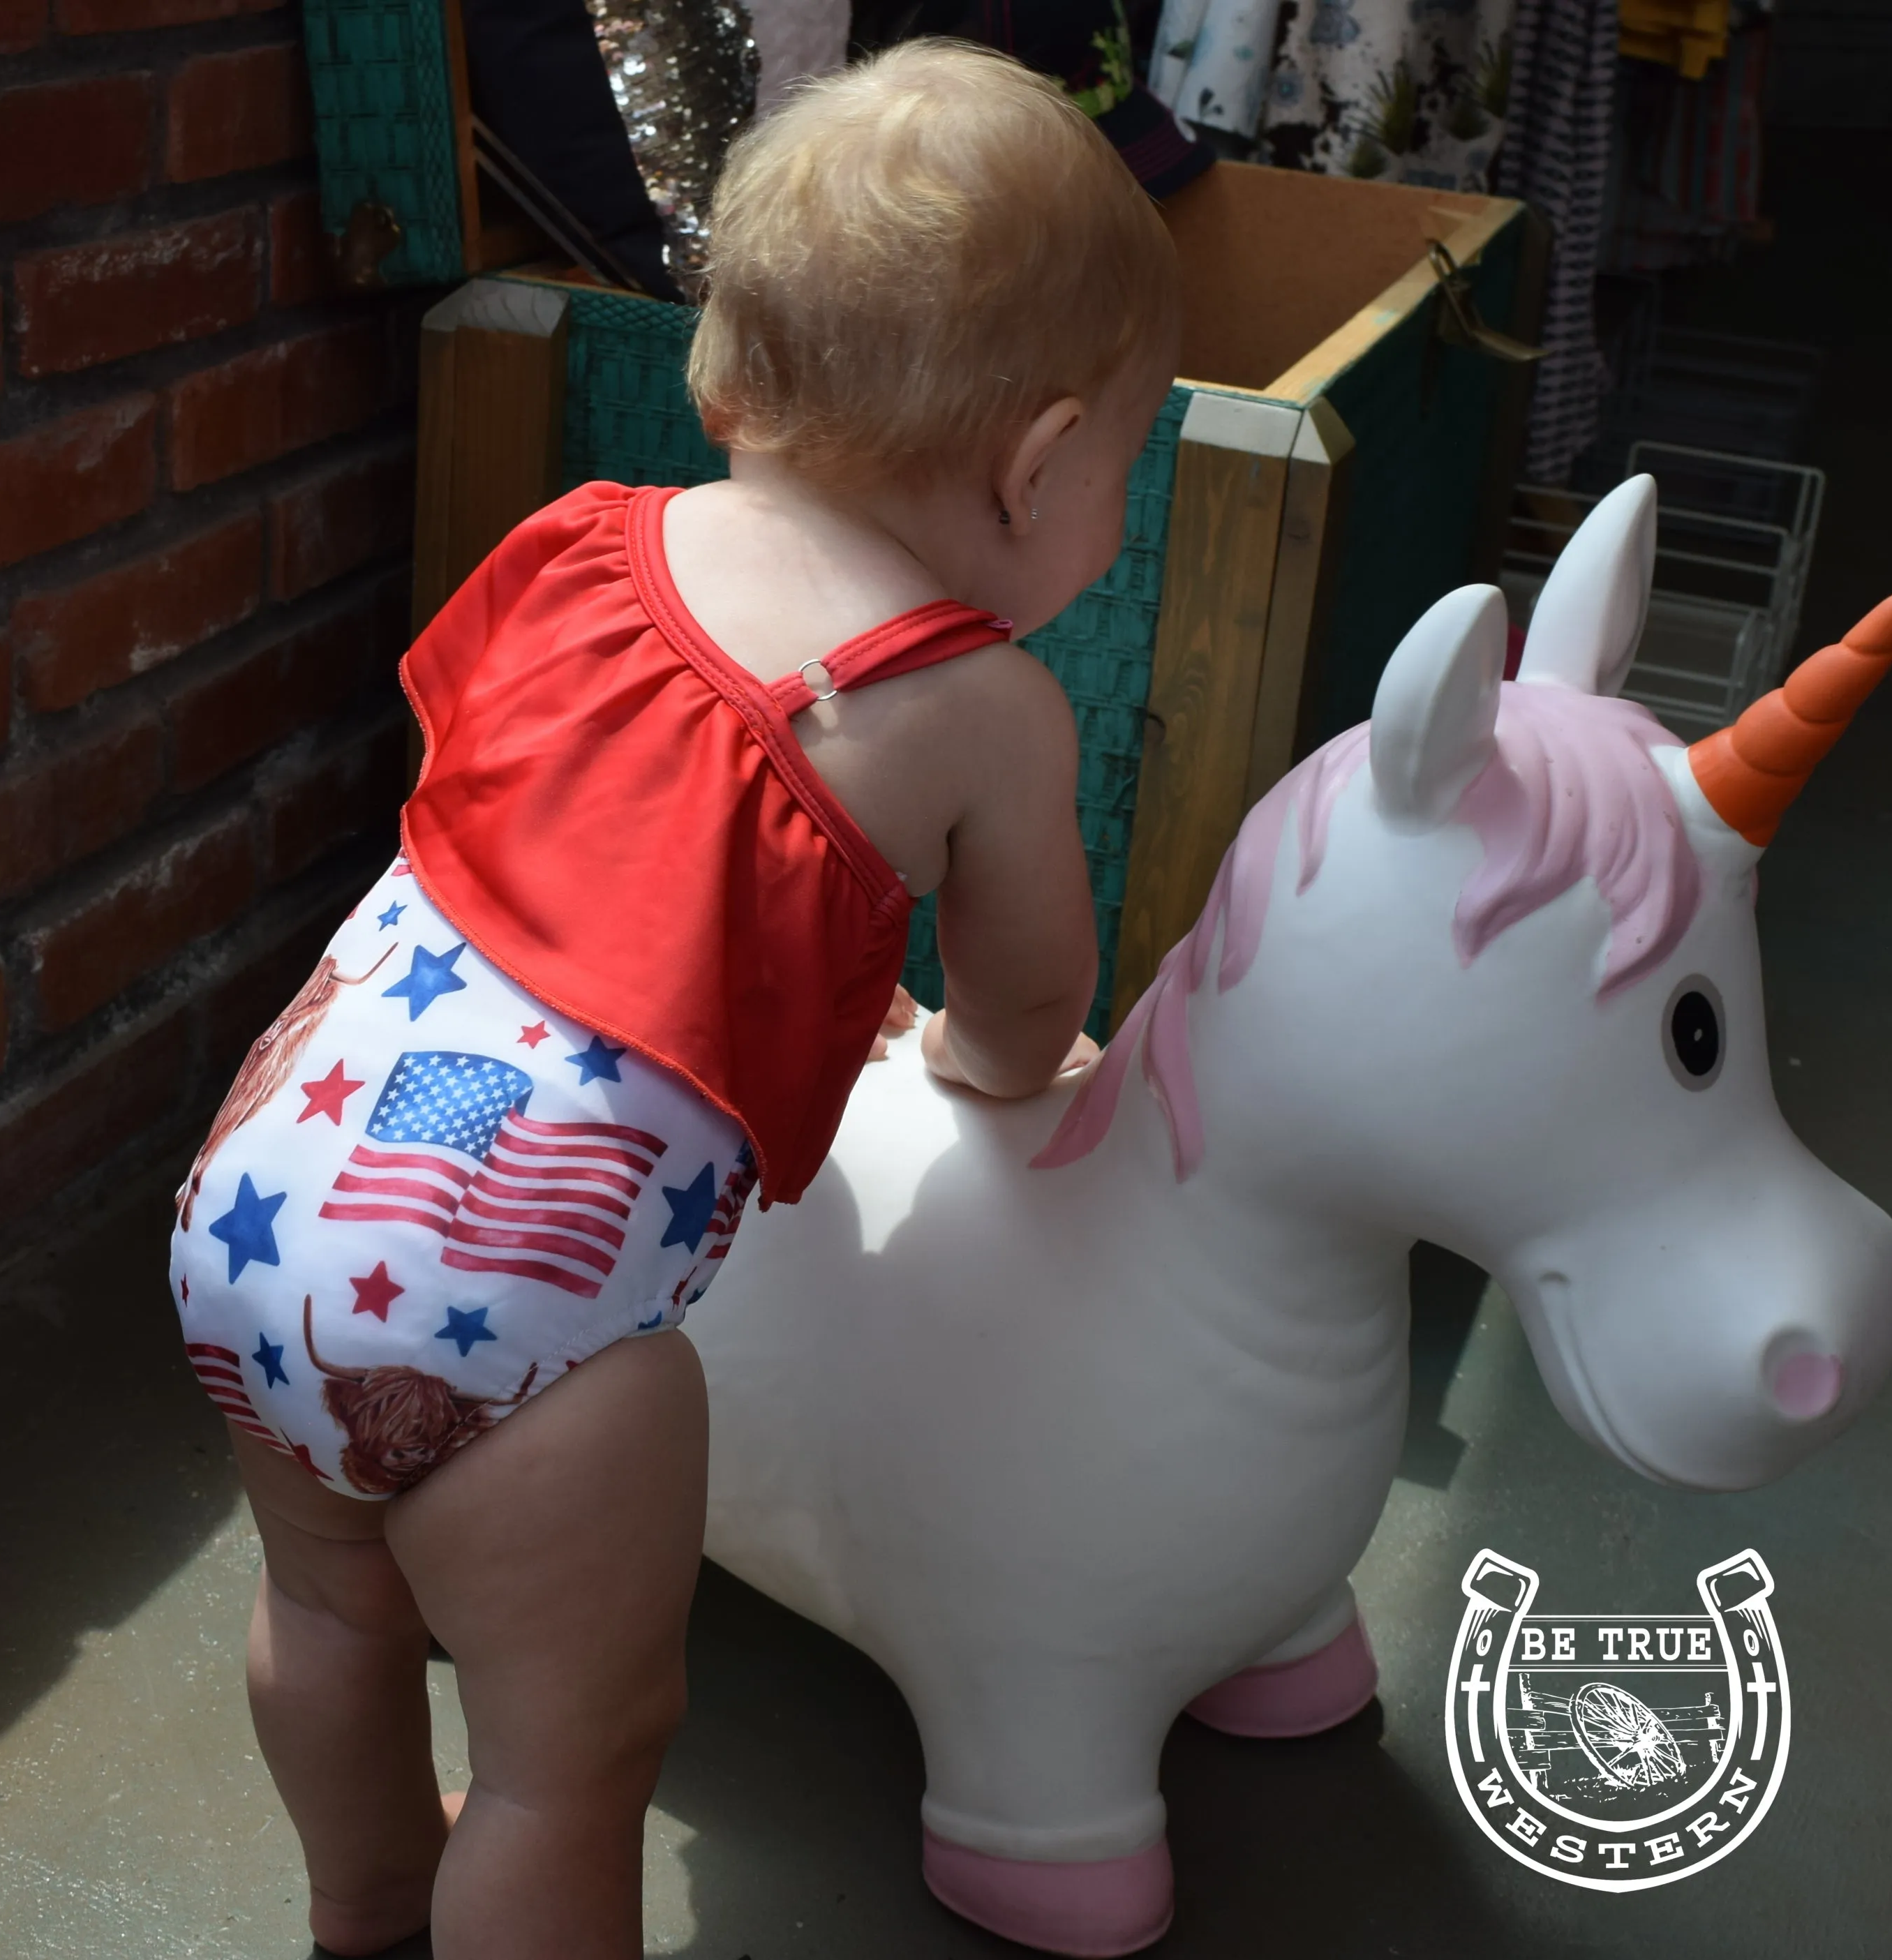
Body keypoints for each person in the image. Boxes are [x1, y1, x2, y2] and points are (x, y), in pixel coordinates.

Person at [167, 40, 1181, 1960]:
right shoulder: (971, 703)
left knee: (329, 1611)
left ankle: (367, 1905)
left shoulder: (582, 541)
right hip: (522, 1318)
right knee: (571, 1759)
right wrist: (959, 1052)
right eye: (1118, 476)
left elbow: (504, 803)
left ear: (731, 369)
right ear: (1041, 466)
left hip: (265, 1191)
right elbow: (1029, 1010)